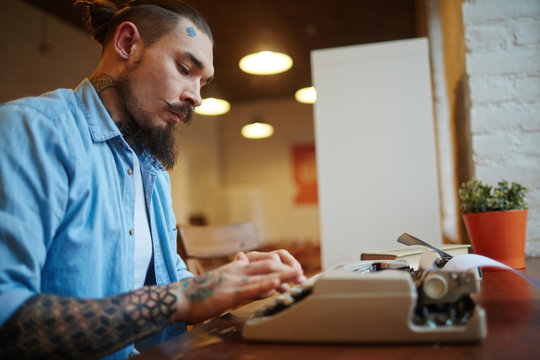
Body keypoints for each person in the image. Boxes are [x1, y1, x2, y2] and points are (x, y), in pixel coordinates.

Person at [0, 1, 305, 359]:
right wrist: (184, 297)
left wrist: (237, 284)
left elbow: (171, 287)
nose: (198, 97)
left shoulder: (152, 171)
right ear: (128, 44)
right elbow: (8, 315)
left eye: (203, 82)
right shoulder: (34, 131)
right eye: (184, 68)